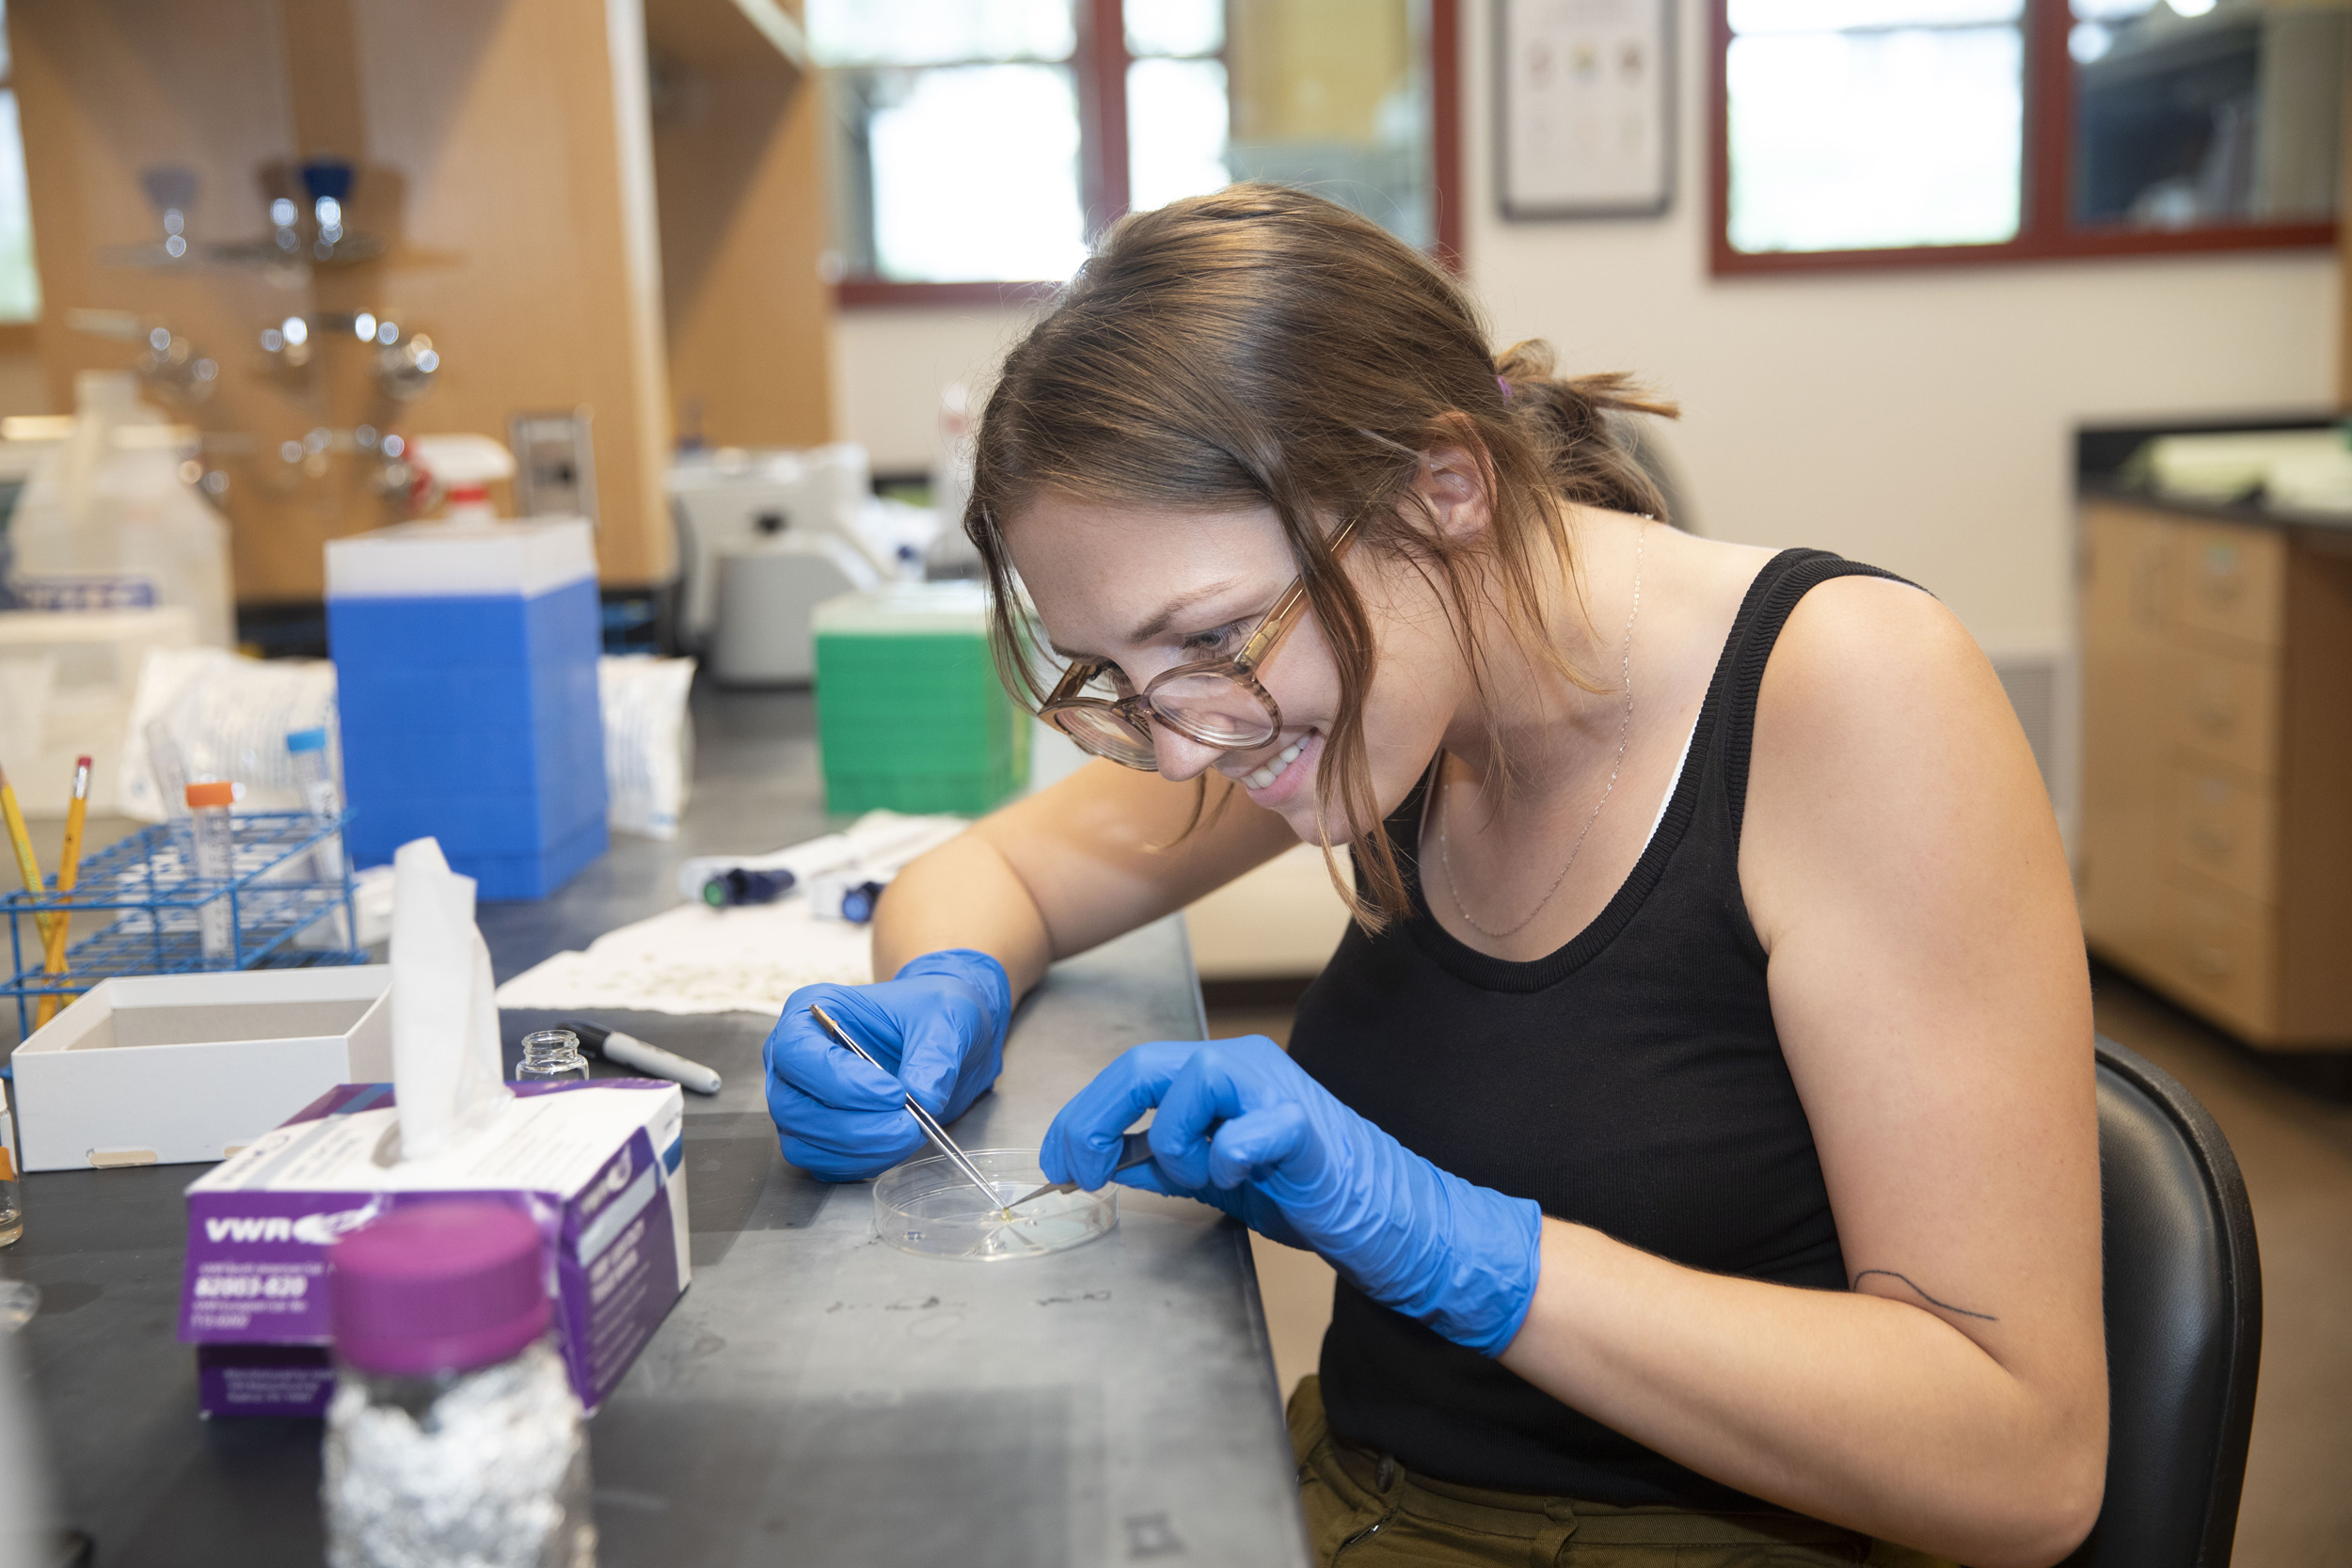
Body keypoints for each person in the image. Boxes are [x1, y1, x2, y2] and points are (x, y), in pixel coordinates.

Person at [762, 185, 2104, 1568]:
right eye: (1117, 678)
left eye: (1212, 643)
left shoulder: (1853, 691)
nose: (1178, 748)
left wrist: (1461, 1248)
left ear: (1443, 490)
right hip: (1359, 1499)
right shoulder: (1381, 673)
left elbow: (2023, 1461)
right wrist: (942, 986)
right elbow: (999, 873)